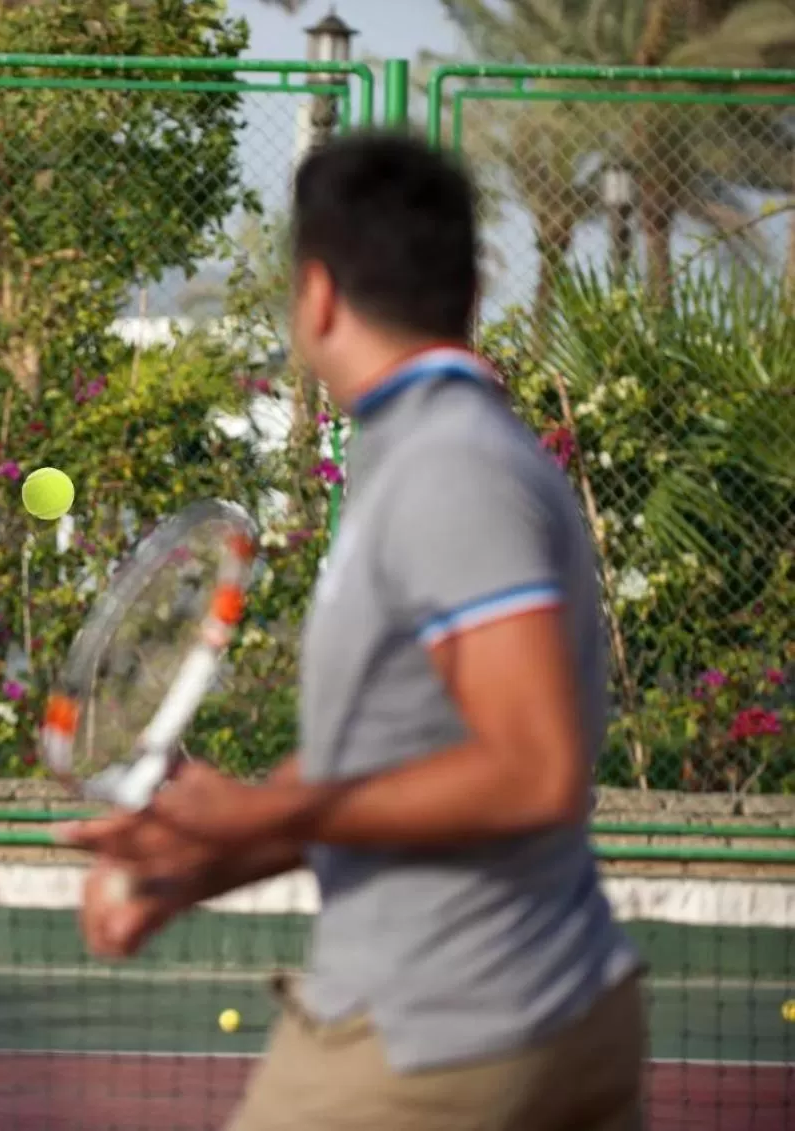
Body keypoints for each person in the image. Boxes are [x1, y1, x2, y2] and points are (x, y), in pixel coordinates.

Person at [58, 130, 648, 1130]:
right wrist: (207, 860)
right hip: (526, 1008)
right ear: (469, 287)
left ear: (317, 295)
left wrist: (261, 820)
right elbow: (390, 759)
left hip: (437, 1036)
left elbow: (532, 771)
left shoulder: (449, 468)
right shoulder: (424, 454)